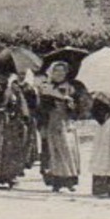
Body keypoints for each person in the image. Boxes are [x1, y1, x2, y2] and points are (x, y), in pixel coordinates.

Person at [37, 63, 82, 192]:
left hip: (66, 123)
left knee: (68, 150)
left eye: (62, 72)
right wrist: (41, 125)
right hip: (52, 123)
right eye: (56, 71)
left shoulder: (70, 88)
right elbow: (41, 109)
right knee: (53, 152)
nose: (59, 74)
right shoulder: (46, 88)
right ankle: (55, 180)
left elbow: (78, 109)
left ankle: (69, 180)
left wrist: (71, 105)